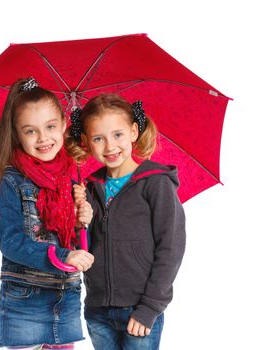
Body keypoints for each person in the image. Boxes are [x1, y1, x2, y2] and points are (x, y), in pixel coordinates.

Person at [0, 77, 94, 350]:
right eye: (30, 131)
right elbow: (11, 242)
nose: (43, 138)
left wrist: (83, 219)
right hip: (26, 298)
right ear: (17, 134)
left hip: (65, 295)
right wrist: (64, 255)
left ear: (64, 125)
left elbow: (77, 243)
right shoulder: (10, 181)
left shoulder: (71, 180)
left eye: (50, 126)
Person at [69, 93, 186, 350]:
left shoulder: (156, 184)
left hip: (139, 308)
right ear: (86, 142)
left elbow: (171, 248)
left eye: (118, 134)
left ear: (134, 132)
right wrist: (79, 218)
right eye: (98, 138)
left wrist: (150, 307)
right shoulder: (88, 189)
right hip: (98, 308)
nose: (110, 146)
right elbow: (78, 246)